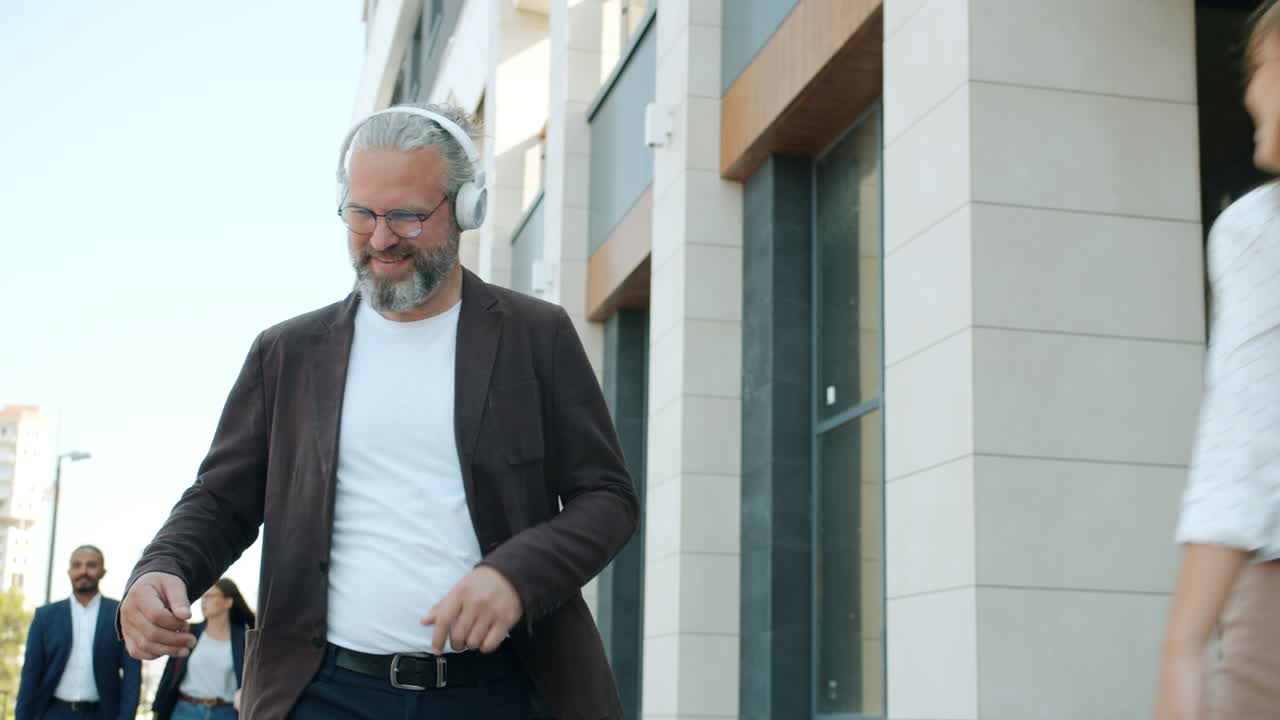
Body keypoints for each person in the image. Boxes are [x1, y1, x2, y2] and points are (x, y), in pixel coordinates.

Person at [117, 102, 639, 720]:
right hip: (322, 693)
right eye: (361, 213)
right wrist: (161, 568)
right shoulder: (286, 353)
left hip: (502, 691)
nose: (382, 237)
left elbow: (607, 498)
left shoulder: (537, 336)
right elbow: (220, 500)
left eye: (408, 216)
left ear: (467, 208)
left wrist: (516, 576)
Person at [1155, 2, 1280, 718]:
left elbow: (1247, 443)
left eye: (1262, 69)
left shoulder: (1262, 231)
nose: (1250, 93)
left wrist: (1182, 646)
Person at [16, 546, 140, 720]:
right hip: (53, 713)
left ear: (102, 571)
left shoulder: (121, 614)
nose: (83, 571)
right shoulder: (45, 616)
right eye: (77, 565)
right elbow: (30, 674)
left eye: (91, 565)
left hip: (102, 714)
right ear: (69, 572)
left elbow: (132, 678)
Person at [151, 578, 254, 720]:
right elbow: (169, 674)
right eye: (203, 596)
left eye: (210, 596)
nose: (204, 601)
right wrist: (157, 709)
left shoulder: (244, 640)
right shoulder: (190, 632)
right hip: (185, 711)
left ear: (228, 602)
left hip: (225, 713)